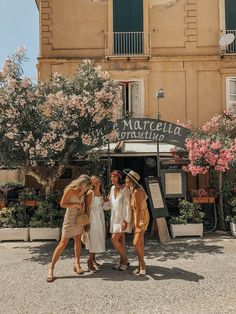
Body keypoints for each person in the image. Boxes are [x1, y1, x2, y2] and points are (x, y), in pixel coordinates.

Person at [46, 174, 91, 282]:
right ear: (81, 183)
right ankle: (51, 268)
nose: (86, 188)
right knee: (62, 243)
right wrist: (75, 205)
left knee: (78, 241)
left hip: (79, 220)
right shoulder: (70, 190)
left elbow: (85, 205)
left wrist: (86, 221)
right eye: (86, 186)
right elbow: (62, 204)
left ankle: (77, 264)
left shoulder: (83, 191)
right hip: (70, 219)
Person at [123, 169, 149, 275]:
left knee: (135, 242)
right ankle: (140, 265)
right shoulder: (133, 191)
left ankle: (142, 264)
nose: (125, 182)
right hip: (137, 217)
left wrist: (137, 225)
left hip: (141, 217)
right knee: (140, 243)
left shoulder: (137, 192)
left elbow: (138, 210)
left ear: (131, 181)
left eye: (126, 180)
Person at [109, 170, 132, 271]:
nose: (112, 179)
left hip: (122, 219)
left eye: (114, 177)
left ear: (119, 178)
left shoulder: (124, 189)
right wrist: (105, 202)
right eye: (111, 177)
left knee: (114, 239)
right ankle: (122, 262)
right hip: (114, 219)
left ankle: (126, 260)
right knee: (120, 241)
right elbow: (110, 204)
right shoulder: (112, 188)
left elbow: (128, 205)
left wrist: (126, 220)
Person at [84, 175, 106, 271]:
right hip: (92, 217)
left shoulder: (101, 192)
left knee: (99, 237)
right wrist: (86, 222)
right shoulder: (90, 192)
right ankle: (89, 261)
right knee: (94, 238)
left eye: (97, 178)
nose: (97, 180)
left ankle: (93, 259)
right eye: (94, 179)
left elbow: (103, 206)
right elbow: (86, 208)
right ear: (91, 183)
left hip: (100, 216)